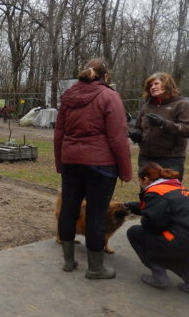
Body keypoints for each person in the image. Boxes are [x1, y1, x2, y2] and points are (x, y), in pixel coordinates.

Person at [54, 59, 132, 279]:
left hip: (71, 163)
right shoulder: (109, 96)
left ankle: (69, 261)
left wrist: (61, 163)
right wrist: (125, 171)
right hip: (101, 166)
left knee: (68, 209)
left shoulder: (68, 97)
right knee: (97, 215)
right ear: (105, 76)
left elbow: (59, 134)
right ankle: (95, 268)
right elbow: (118, 137)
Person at [125, 162, 189, 292]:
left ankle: (159, 276)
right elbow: (156, 207)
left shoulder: (155, 193)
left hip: (182, 243)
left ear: (145, 179)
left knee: (135, 233)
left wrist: (145, 218)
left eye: (140, 181)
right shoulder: (176, 188)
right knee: (170, 244)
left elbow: (154, 225)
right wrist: (131, 206)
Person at [128, 72, 189, 179]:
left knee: (167, 189)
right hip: (146, 157)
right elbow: (138, 127)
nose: (152, 87)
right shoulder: (147, 106)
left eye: (156, 84)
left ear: (167, 84)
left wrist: (164, 124)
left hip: (170, 158)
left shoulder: (181, 104)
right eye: (150, 85)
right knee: (147, 188)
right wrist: (137, 135)